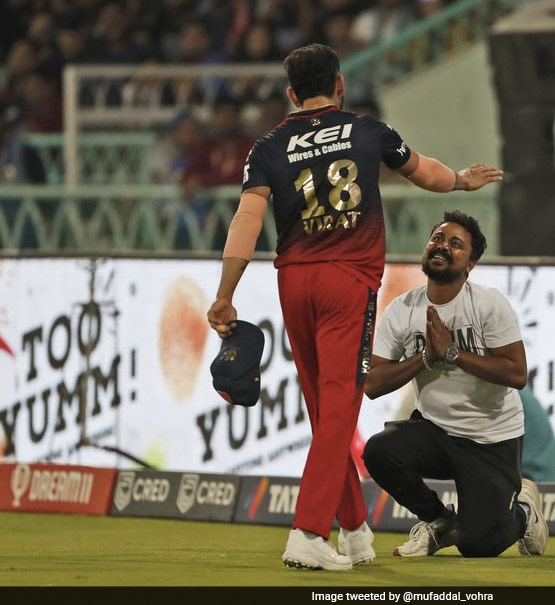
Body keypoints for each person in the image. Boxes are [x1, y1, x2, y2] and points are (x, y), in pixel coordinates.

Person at [206, 43, 502, 571]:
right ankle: (307, 532)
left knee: (324, 412)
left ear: (291, 94)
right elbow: (424, 172)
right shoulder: (367, 131)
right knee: (340, 408)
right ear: (340, 84)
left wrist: (226, 292)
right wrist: (461, 179)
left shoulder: (268, 146)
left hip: (294, 280)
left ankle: (354, 530)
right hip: (348, 279)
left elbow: (246, 220)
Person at [361, 210, 549, 559]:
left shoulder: (488, 303)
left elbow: (516, 373)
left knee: (478, 545)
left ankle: (523, 511)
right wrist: (426, 358)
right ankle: (439, 521)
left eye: (456, 244)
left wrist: (453, 353)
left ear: (470, 264)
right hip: (435, 431)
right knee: (379, 451)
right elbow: (372, 384)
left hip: (490, 439)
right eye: (437, 238)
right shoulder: (402, 309)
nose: (443, 246)